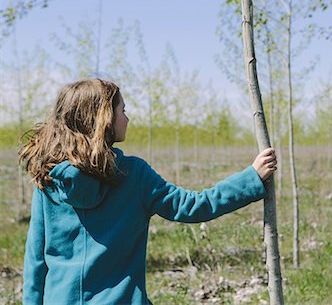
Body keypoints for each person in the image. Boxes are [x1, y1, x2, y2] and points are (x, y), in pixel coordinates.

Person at [19, 78, 277, 304]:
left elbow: (35, 262)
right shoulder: (132, 174)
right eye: (122, 109)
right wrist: (250, 178)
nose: (127, 117)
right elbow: (192, 206)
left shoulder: (49, 181)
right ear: (104, 119)